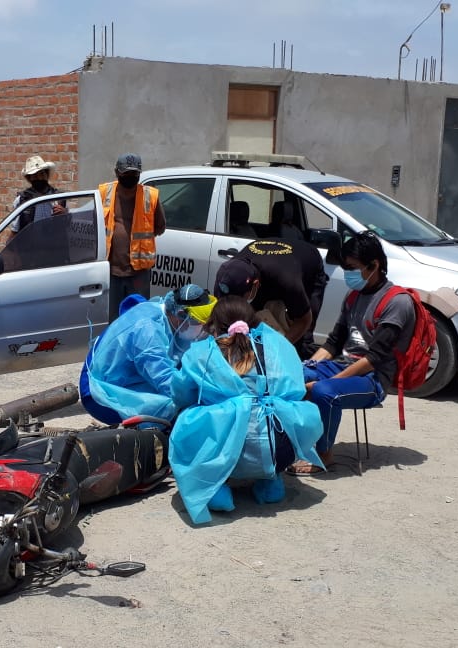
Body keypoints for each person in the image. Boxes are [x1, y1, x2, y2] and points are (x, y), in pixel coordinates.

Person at [170, 296, 324, 524]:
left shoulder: (202, 352)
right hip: (280, 446)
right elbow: (296, 391)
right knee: (279, 418)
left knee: (189, 422)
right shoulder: (279, 344)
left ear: (214, 324)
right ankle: (271, 481)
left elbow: (181, 394)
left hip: (231, 450)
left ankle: (215, 491)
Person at [291, 231, 415, 475]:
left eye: (351, 267)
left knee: (323, 391)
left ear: (374, 266)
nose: (347, 273)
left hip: (373, 379)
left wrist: (324, 381)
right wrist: (307, 367)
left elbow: (374, 359)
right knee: (292, 376)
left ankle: (323, 455)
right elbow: (333, 344)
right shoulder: (354, 296)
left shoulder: (397, 303)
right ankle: (291, 446)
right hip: (343, 365)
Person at [81, 284, 216, 425]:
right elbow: (167, 382)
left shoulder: (167, 315)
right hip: (99, 390)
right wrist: (203, 398)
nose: (202, 328)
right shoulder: (147, 332)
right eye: (198, 323)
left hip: (133, 374)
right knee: (174, 412)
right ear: (180, 315)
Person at [213, 237, 329, 357]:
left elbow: (304, 320)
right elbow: (220, 316)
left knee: (302, 340)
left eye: (240, 300)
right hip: (270, 264)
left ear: (256, 285)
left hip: (307, 264)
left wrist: (274, 351)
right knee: (251, 321)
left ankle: (302, 363)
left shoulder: (288, 281)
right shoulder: (225, 274)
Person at [100, 153, 167, 321]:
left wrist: (141, 240)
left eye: (134, 174)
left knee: (139, 317)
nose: (130, 177)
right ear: (117, 173)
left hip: (138, 272)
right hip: (111, 270)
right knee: (113, 319)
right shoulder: (104, 193)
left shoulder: (150, 196)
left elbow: (160, 226)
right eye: (126, 174)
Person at [9, 155, 66, 238]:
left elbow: (69, 225)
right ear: (30, 178)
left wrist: (65, 214)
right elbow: (15, 230)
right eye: (35, 175)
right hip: (31, 247)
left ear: (47, 175)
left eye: (42, 174)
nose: (39, 178)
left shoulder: (60, 198)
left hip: (55, 247)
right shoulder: (22, 200)